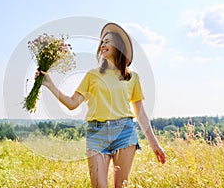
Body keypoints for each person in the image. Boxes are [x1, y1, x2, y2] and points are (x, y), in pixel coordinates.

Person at [35, 22, 166, 188]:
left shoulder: (132, 78)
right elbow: (72, 103)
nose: (102, 44)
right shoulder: (92, 75)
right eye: (101, 42)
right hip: (97, 134)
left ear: (118, 47)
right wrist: (50, 84)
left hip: (124, 133)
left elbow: (140, 113)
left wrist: (154, 144)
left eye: (107, 41)